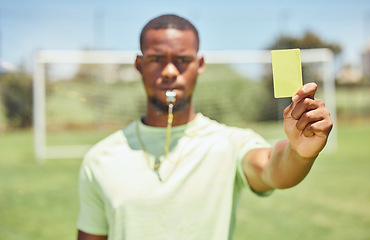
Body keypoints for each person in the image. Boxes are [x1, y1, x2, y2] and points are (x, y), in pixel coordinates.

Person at [77, 14, 333, 240]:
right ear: (139, 65)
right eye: (156, 58)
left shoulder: (229, 143)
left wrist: (300, 153)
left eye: (182, 60)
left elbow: (272, 169)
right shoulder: (100, 159)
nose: (168, 71)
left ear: (199, 65)